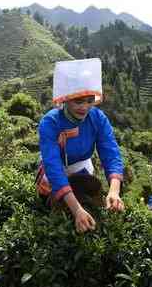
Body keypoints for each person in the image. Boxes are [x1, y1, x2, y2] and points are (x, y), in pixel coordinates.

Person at [37, 58, 124, 234]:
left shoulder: (97, 118)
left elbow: (110, 152)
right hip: (55, 173)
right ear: (66, 99)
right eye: (78, 101)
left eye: (89, 100)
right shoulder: (50, 122)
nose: (84, 107)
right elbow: (53, 166)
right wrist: (76, 210)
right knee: (53, 214)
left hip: (83, 169)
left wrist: (114, 191)